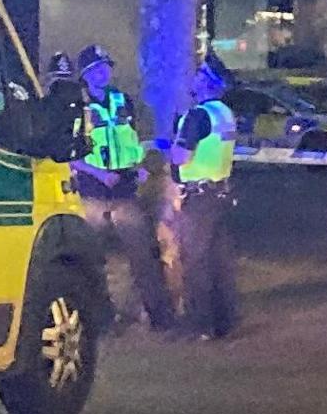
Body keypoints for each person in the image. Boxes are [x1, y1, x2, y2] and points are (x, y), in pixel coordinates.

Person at [69, 47, 170, 331]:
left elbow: (141, 140)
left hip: (124, 190)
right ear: (85, 74)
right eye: (97, 68)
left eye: (106, 67)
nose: (104, 72)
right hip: (92, 193)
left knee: (144, 257)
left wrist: (140, 166)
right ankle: (98, 321)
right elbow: (69, 155)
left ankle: (159, 316)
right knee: (91, 261)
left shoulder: (124, 101)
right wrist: (99, 174)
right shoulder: (76, 106)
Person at [166, 61, 244, 340]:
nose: (194, 78)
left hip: (199, 198)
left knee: (195, 262)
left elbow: (181, 156)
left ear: (207, 84)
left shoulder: (197, 115)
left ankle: (199, 326)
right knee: (219, 261)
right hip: (221, 194)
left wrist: (171, 148)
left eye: (199, 75)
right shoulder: (225, 114)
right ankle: (225, 321)